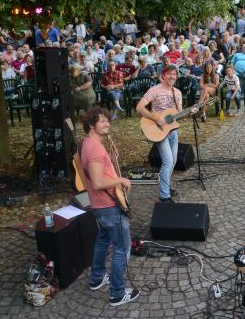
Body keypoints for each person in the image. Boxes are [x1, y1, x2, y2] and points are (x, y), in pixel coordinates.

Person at [78, 107, 139, 307]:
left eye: (108, 121)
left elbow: (97, 171)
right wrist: (121, 179)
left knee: (103, 240)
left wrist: (110, 161)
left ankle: (96, 278)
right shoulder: (94, 149)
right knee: (122, 248)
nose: (107, 124)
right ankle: (117, 293)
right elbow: (96, 182)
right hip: (108, 206)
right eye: (102, 121)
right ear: (91, 125)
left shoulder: (86, 145)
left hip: (99, 205)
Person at [136, 65, 197, 202]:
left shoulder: (177, 93)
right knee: (168, 161)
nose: (172, 77)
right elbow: (139, 107)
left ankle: (166, 186)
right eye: (169, 74)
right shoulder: (155, 90)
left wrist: (190, 113)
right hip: (157, 130)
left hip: (172, 130)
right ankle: (164, 195)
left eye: (174, 74)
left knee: (173, 161)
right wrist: (156, 118)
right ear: (163, 75)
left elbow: (178, 115)